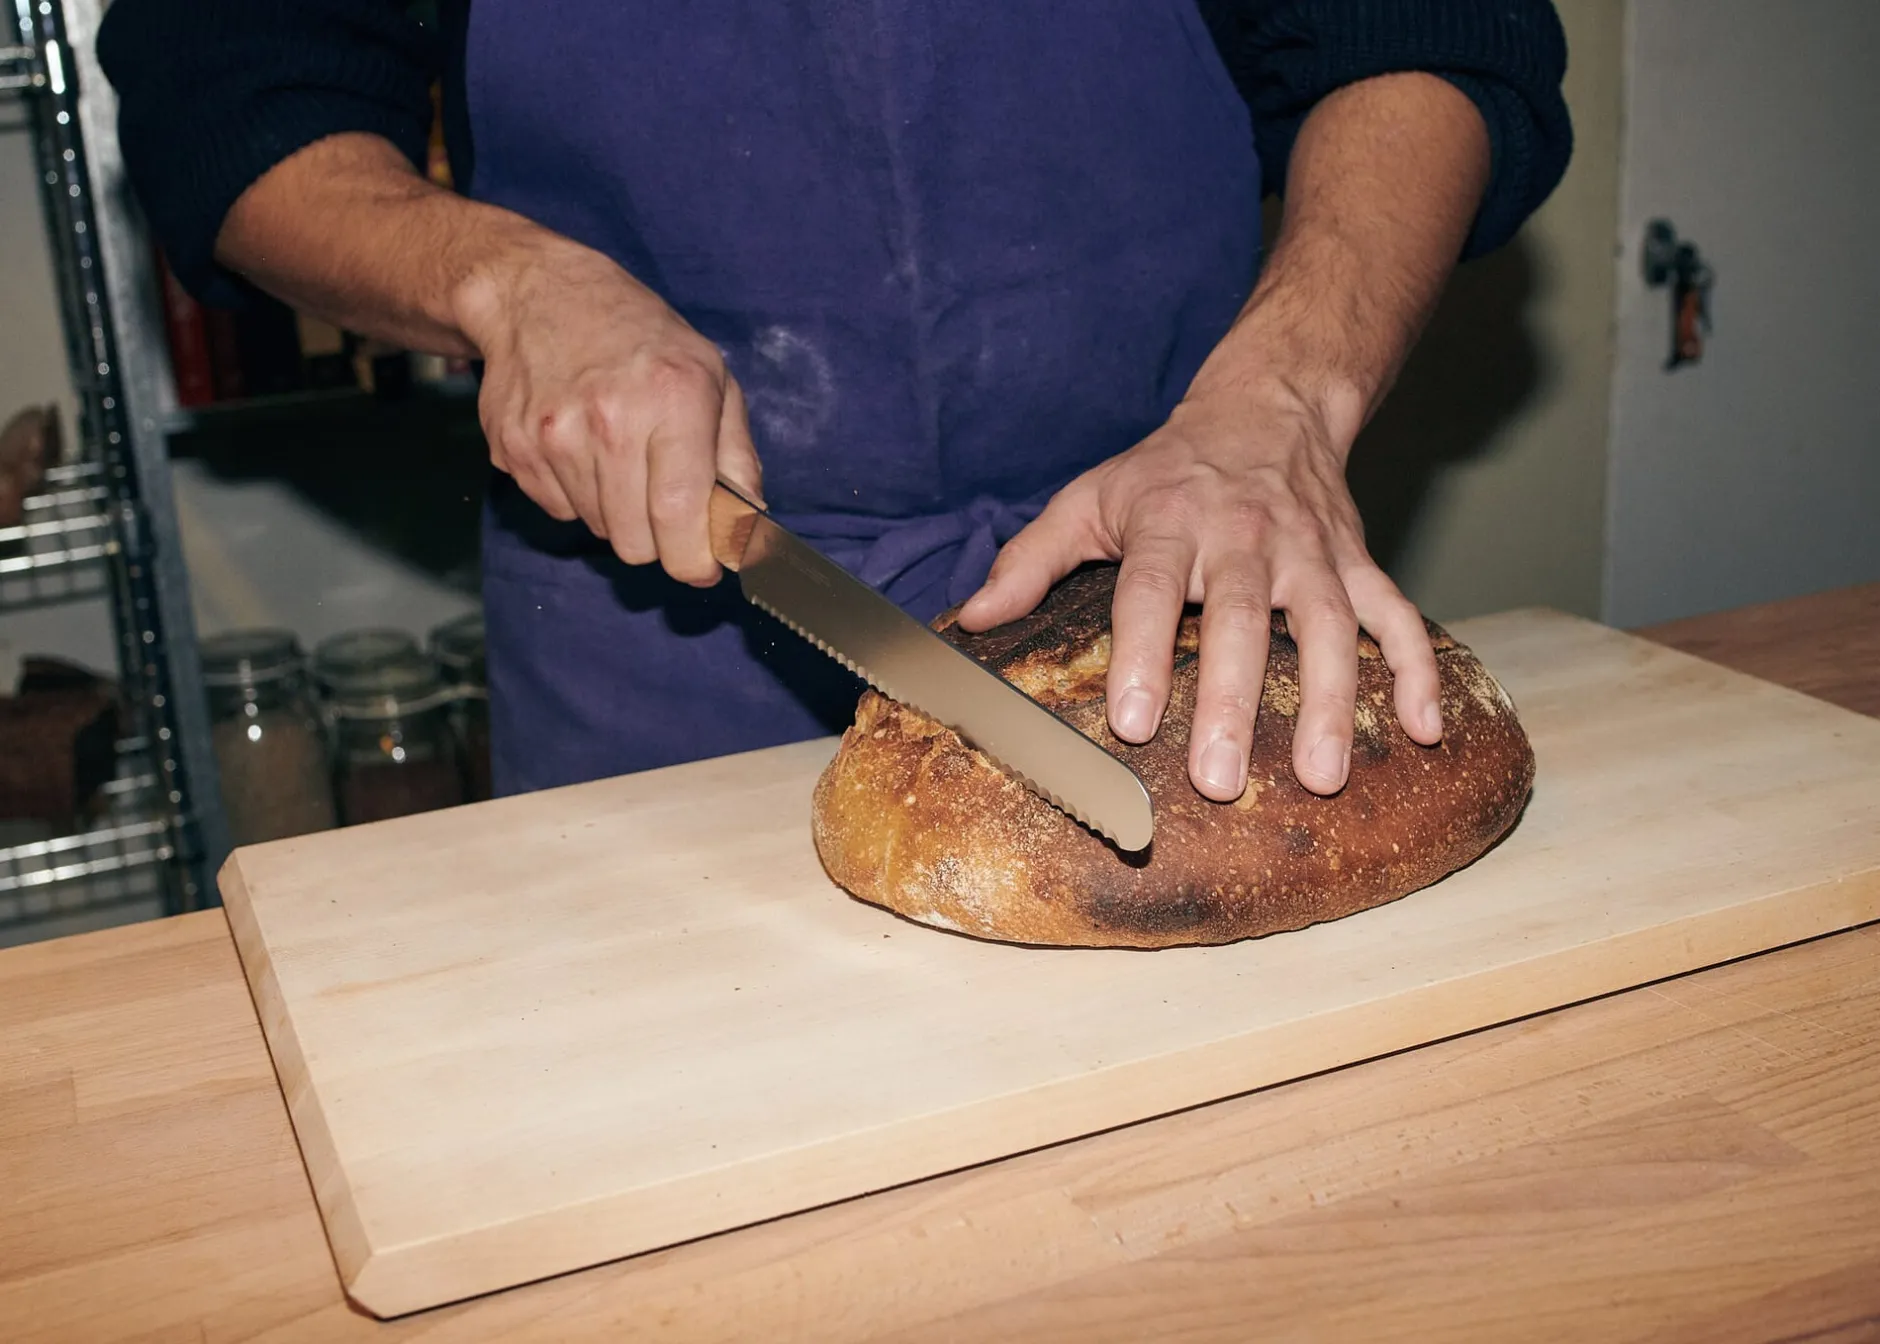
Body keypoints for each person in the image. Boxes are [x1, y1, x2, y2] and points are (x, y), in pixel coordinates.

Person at [99, 1, 1570, 806]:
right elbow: (227, 91)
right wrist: (505, 284)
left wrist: (1286, 398)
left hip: (1177, 577)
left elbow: (1431, 28)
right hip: (654, 612)